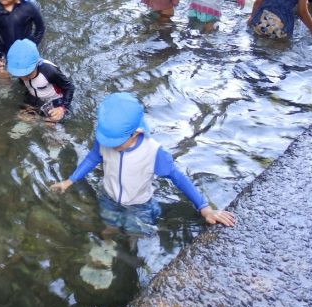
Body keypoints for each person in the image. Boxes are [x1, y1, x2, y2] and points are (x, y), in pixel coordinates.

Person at [51, 93, 235, 233]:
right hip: (109, 196)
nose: (110, 146)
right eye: (107, 141)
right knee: (108, 223)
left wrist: (205, 209)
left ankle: (131, 243)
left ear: (137, 133)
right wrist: (70, 181)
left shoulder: (152, 152)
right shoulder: (105, 139)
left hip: (140, 204)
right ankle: (107, 243)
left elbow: (178, 178)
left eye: (116, 143)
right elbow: (92, 158)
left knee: (139, 232)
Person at [5, 39, 74, 122]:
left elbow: (69, 87)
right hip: (33, 96)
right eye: (20, 75)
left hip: (55, 100)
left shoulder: (49, 71)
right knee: (22, 118)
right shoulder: (20, 71)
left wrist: (62, 108)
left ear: (36, 65)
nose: (24, 78)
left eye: (28, 74)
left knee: (49, 123)